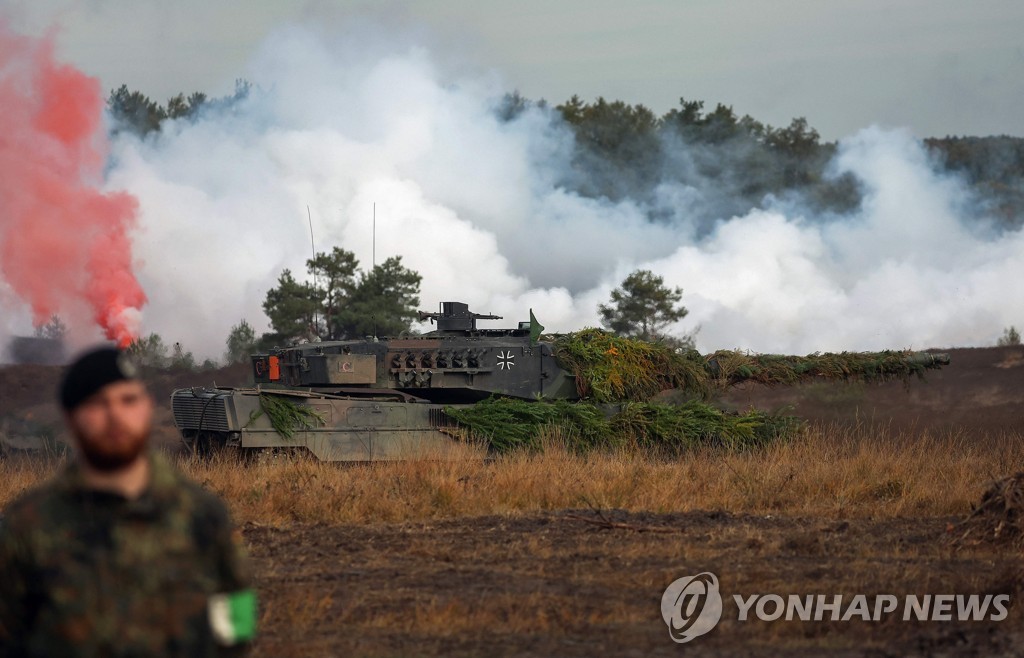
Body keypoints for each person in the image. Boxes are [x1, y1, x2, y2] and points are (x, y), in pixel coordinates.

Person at [0, 346, 256, 657]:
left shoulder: (203, 516)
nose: (115, 416)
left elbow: (237, 619)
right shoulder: (25, 529)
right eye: (97, 403)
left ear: (147, 407)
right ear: (70, 417)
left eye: (128, 400)